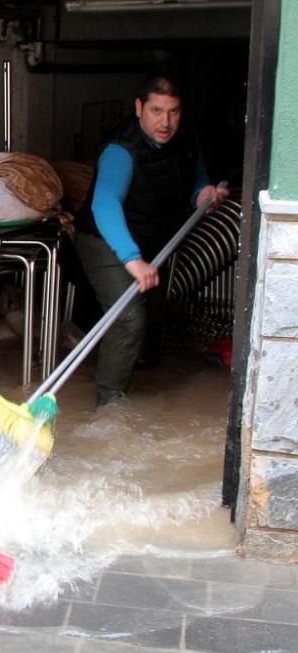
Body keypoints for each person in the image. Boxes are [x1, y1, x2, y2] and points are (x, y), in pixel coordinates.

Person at [74, 72, 229, 407]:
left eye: (173, 112)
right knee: (128, 316)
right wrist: (132, 259)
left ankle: (143, 389)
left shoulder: (188, 138)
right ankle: (110, 407)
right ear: (139, 107)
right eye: (157, 111)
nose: (166, 121)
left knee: (152, 323)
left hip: (151, 240)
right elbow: (105, 203)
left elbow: (196, 181)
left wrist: (204, 195)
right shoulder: (121, 149)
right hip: (104, 238)